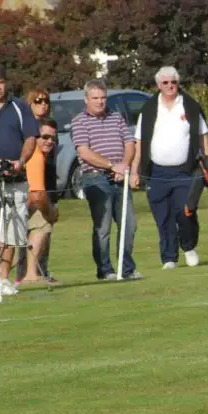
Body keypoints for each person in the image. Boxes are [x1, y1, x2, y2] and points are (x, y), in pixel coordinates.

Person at [132, 67, 208, 270]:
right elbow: (139, 142)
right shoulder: (149, 108)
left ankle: (189, 246)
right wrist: (134, 170)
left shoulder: (190, 106)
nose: (169, 86)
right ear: (159, 85)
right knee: (163, 216)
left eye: (173, 82)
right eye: (165, 83)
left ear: (178, 83)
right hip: (156, 172)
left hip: (184, 170)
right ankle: (169, 257)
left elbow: (203, 136)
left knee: (185, 213)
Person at [71, 79, 141, 281]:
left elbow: (129, 144)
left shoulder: (116, 117)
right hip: (95, 178)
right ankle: (105, 269)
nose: (100, 102)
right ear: (86, 100)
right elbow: (85, 152)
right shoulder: (79, 121)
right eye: (95, 98)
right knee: (103, 227)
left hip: (120, 176)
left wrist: (124, 165)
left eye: (103, 98)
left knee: (129, 224)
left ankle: (126, 268)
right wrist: (112, 165)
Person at [0, 65, 38, 297]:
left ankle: (3, 279)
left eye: (1, 82)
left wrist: (20, 161)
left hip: (16, 179)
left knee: (11, 232)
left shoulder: (20, 107)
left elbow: (30, 137)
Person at [16, 89, 58, 284]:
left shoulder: (46, 139)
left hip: (36, 194)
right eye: (38, 101)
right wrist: (49, 210)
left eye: (46, 101)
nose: (44, 104)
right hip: (23, 196)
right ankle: (27, 275)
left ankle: (37, 272)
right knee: (41, 222)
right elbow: (36, 193)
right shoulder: (28, 140)